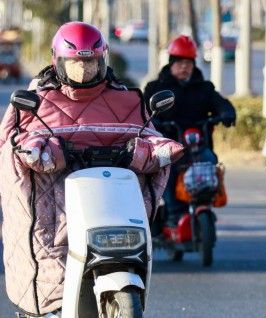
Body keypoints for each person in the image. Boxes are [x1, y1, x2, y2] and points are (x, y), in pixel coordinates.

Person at [0, 22, 183, 316]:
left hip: (112, 202)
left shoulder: (127, 100)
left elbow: (151, 136)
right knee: (49, 254)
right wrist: (38, 151)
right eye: (75, 63)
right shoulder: (34, 101)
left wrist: (154, 150)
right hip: (57, 206)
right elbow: (12, 143)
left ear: (103, 60)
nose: (83, 70)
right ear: (58, 62)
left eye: (90, 62)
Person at [143, 35, 236, 227]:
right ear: (170, 64)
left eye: (188, 63)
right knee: (167, 172)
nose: (184, 67)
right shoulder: (156, 88)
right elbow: (143, 112)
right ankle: (174, 215)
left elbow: (221, 104)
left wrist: (227, 113)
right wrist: (157, 123)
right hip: (168, 146)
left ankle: (204, 203)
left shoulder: (205, 88)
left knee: (210, 161)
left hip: (198, 147)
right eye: (179, 63)